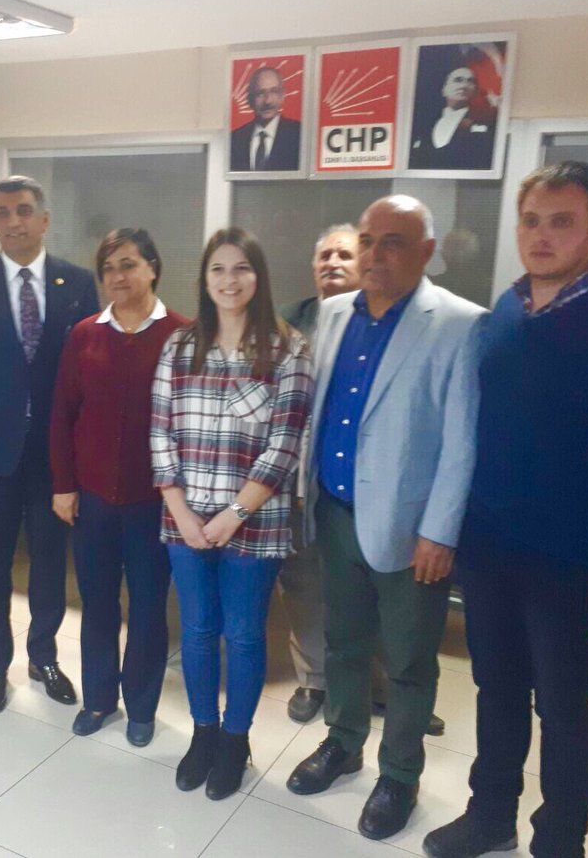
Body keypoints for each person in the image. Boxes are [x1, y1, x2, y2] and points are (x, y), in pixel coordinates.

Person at [423, 162, 588, 858]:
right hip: (492, 550)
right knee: (495, 689)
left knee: (563, 707)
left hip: (576, 562)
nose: (542, 235)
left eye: (562, 221)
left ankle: (560, 838)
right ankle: (490, 814)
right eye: (531, 220)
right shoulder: (502, 315)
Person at [285, 196, 485, 841]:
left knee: (407, 662)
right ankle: (342, 742)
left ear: (426, 252)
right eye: (368, 241)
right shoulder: (333, 313)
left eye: (392, 242)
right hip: (334, 511)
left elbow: (462, 441)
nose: (374, 255)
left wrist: (440, 531)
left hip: (410, 529)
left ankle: (399, 773)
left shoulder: (459, 324)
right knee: (342, 643)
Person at [151, 227, 313, 800]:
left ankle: (235, 740)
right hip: (185, 522)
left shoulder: (288, 349)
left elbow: (285, 445)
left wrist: (233, 515)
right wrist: (182, 513)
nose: (229, 280)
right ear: (204, 279)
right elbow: (160, 433)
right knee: (197, 632)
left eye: (241, 267)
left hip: (255, 525)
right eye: (217, 269)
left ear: (258, 276)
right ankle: (203, 734)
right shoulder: (180, 347)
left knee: (243, 635)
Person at [0, 175, 99, 714]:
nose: (13, 222)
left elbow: (88, 376)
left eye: (24, 210)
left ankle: (43, 658)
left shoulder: (77, 283)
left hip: (55, 456)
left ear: (45, 219)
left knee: (50, 561)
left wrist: (82, 455)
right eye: (2, 213)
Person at [49, 228, 188, 746]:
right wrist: (64, 485)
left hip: (156, 503)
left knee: (148, 609)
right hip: (93, 501)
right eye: (108, 268)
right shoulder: (85, 334)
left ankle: (143, 707)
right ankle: (99, 698)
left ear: (152, 268)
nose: (117, 277)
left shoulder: (183, 335)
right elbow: (62, 415)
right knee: (98, 605)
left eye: (128, 264)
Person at [276, 224, 359, 723]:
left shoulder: (379, 320)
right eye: (325, 255)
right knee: (304, 583)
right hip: (297, 479)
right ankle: (314, 680)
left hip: (359, 483)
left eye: (344, 255)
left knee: (366, 588)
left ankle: (376, 683)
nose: (332, 262)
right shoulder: (289, 320)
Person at [408, 65, 497, 171]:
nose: (464, 86)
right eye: (458, 80)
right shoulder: (424, 124)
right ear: (444, 89)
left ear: (475, 90)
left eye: (470, 81)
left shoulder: (485, 122)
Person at [229, 66, 302, 172]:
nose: (268, 101)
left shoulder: (299, 135)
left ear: (282, 96)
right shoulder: (235, 139)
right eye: (260, 93)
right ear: (250, 99)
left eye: (274, 91)